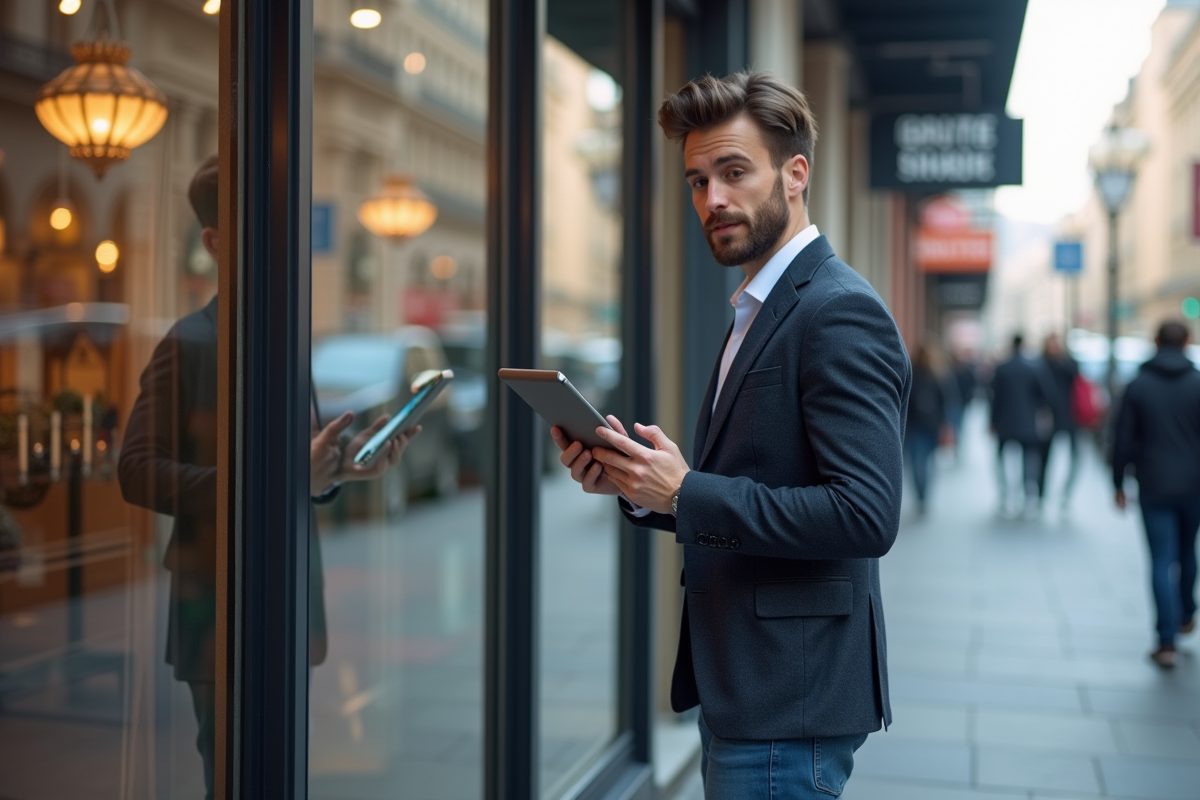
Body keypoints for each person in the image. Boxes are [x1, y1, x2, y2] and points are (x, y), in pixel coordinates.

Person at [551, 72, 910, 800]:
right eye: (697, 180)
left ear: (795, 174)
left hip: (787, 698)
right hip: (746, 685)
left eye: (735, 172)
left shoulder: (837, 311)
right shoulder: (761, 305)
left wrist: (687, 490)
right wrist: (642, 486)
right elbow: (750, 478)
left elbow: (865, 515)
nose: (712, 199)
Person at [117, 155, 417, 800]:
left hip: (288, 593)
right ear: (214, 244)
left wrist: (345, 466)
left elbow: (299, 473)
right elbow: (136, 473)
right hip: (216, 597)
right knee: (229, 771)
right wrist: (273, 479)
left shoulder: (288, 337)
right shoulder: (188, 342)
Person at [1112, 320, 1200, 669]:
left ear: (1155, 340)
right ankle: (1186, 613)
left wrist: (1117, 483)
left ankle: (1166, 642)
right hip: (1195, 485)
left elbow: (1122, 440)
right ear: (1187, 342)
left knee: (1161, 558)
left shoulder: (1138, 385)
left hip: (1154, 484)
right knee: (1187, 550)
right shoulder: (1198, 383)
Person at [989, 334, 1051, 519]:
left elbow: (995, 398)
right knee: (1028, 460)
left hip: (1005, 422)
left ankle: (1005, 494)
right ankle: (1027, 497)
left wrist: (992, 421)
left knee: (1001, 459)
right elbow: (1044, 395)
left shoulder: (1002, 368)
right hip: (1027, 422)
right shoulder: (1033, 368)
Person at [1036, 333, 1080, 512]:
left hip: (1070, 416)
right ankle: (1041, 494)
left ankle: (1066, 494)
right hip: (1049, 417)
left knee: (1075, 457)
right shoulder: (1040, 365)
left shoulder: (1069, 363)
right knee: (1044, 458)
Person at [906, 342, 949, 517]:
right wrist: (945, 425)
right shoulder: (938, 374)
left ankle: (921, 497)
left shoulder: (910, 373)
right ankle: (924, 496)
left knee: (917, 462)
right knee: (928, 462)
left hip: (913, 425)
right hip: (932, 424)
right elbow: (945, 401)